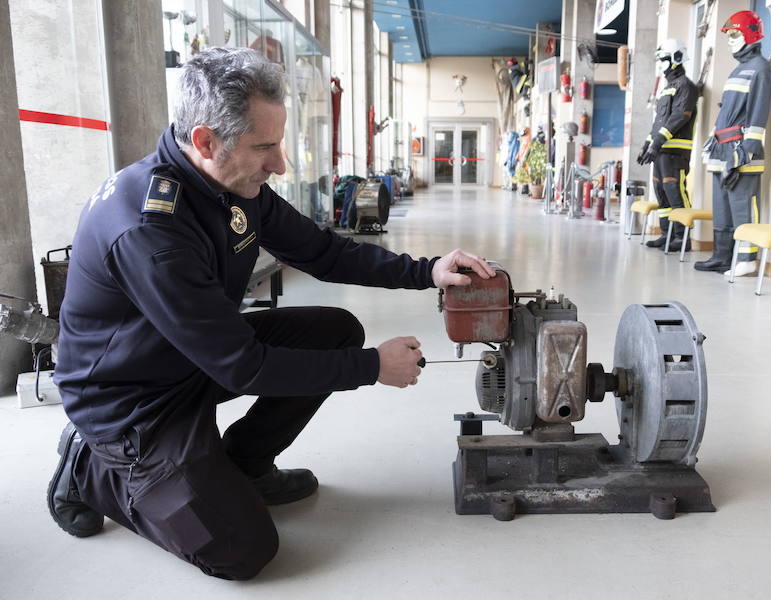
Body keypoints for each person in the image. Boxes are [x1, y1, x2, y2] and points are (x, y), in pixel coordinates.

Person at [47, 47, 496, 580]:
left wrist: (428, 270)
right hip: (131, 402)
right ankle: (89, 469)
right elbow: (244, 367)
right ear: (205, 141)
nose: (279, 164)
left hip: (189, 359)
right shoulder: (150, 231)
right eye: (265, 147)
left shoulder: (229, 183)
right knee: (241, 551)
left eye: (278, 143)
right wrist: (372, 368)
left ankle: (244, 463)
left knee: (336, 332)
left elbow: (322, 252)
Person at [694, 10, 771, 276]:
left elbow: (759, 112)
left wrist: (747, 152)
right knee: (722, 206)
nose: (730, 40)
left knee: (742, 205)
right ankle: (723, 255)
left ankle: (746, 258)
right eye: (729, 36)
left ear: (751, 33)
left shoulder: (761, 69)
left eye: (735, 34)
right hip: (722, 146)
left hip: (741, 149)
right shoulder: (739, 69)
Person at [637, 39, 699, 251]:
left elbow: (679, 116)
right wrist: (647, 144)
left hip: (675, 151)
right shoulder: (667, 88)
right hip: (661, 149)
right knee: (661, 190)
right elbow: (659, 120)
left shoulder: (686, 86)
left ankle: (683, 238)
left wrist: (658, 142)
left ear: (677, 58)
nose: (661, 63)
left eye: (664, 59)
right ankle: (667, 234)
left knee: (675, 190)